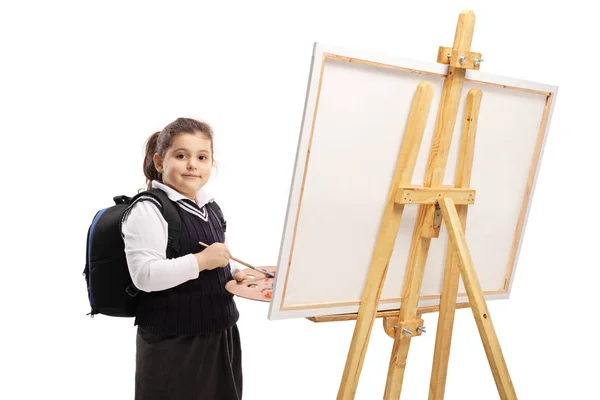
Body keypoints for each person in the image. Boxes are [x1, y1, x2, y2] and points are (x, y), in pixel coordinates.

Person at [121, 117, 246, 400]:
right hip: (173, 342)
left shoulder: (210, 206)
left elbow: (219, 256)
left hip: (220, 332)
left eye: (202, 157)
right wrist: (201, 261)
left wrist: (233, 273)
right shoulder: (149, 209)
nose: (193, 164)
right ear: (160, 162)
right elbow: (145, 276)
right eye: (181, 155)